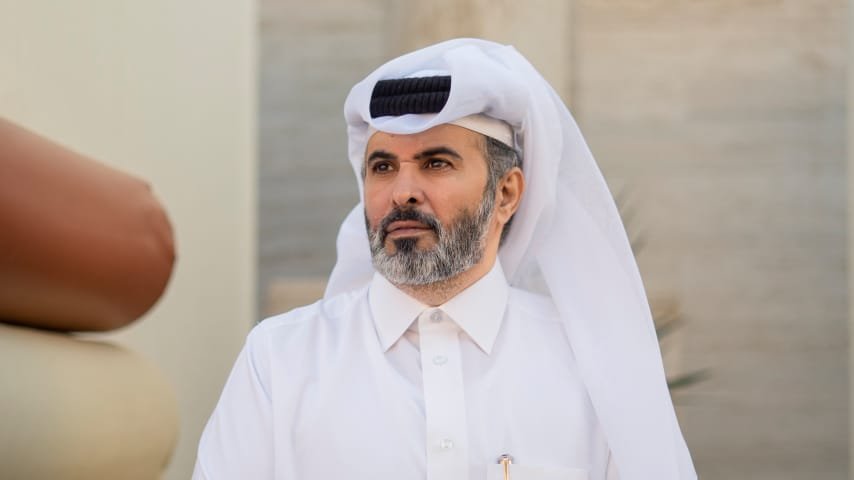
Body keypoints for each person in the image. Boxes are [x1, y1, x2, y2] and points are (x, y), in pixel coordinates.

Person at [193, 39, 696, 480]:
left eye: (436, 163)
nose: (402, 192)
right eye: (383, 167)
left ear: (506, 193)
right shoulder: (280, 360)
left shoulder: (590, 364)